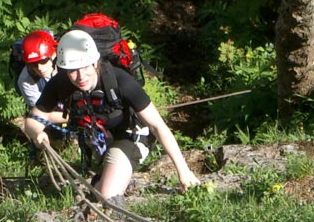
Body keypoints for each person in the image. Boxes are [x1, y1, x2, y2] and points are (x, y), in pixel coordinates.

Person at [25, 29, 200, 202]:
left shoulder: (120, 81)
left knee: (108, 195)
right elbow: (33, 119)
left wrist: (183, 171)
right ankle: (100, 180)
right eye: (72, 71)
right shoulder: (61, 83)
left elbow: (157, 126)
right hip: (100, 141)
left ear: (94, 63)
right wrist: (37, 134)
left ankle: (100, 183)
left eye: (85, 67)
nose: (80, 77)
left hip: (131, 137)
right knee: (105, 189)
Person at [17, 30, 59, 108]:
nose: (39, 68)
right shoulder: (26, 80)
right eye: (33, 64)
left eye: (43, 61)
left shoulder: (67, 62)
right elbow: (42, 112)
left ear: (53, 55)